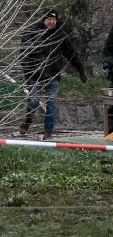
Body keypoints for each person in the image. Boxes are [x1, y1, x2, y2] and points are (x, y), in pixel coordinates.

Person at [19, 8, 86, 139]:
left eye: (54, 20)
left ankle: (48, 133)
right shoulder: (32, 32)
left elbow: (71, 53)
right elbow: (23, 54)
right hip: (35, 74)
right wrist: (27, 70)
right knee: (33, 102)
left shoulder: (60, 35)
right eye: (49, 19)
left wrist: (81, 70)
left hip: (53, 74)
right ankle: (27, 121)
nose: (52, 22)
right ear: (44, 19)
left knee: (52, 106)